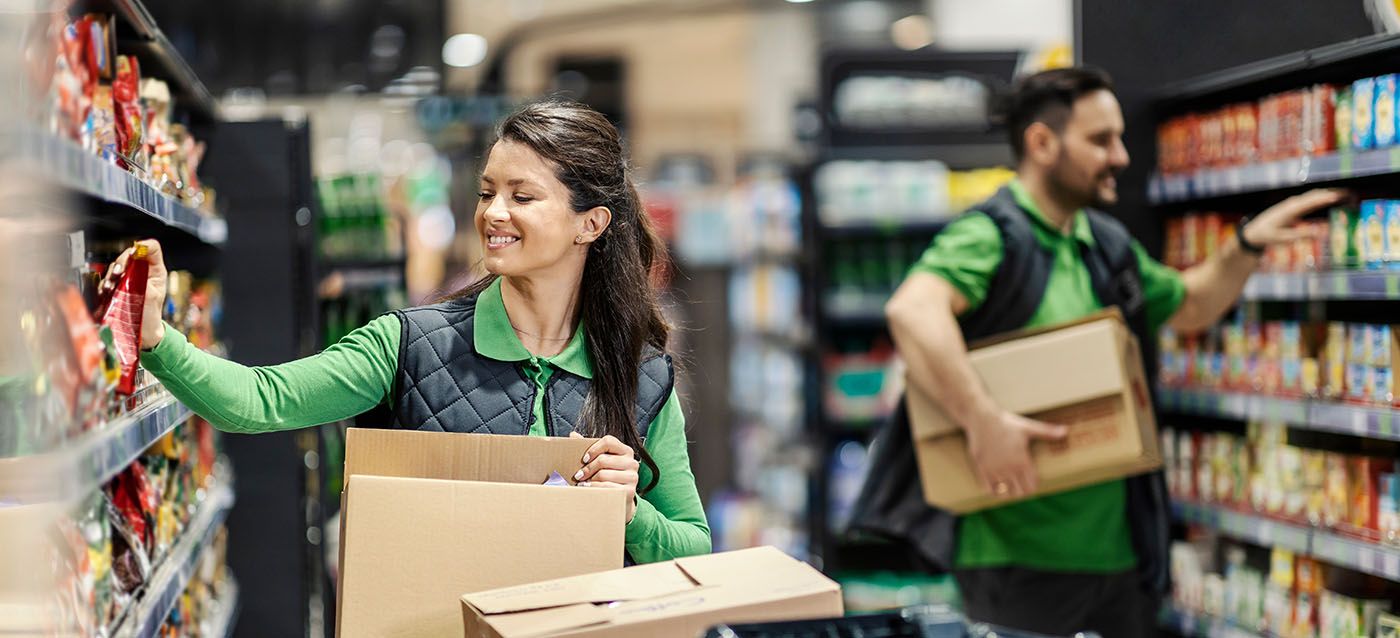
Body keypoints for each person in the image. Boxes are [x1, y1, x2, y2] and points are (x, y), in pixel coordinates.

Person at [107, 100, 711, 564]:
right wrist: (158, 337)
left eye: (522, 196)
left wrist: (628, 512)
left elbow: (693, 549)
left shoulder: (641, 375)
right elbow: (259, 401)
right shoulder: (410, 346)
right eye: (487, 192)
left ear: (591, 223)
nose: (493, 213)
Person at [852, 67, 1343, 637]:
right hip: (1017, 562)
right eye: (1100, 140)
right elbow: (913, 310)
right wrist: (982, 421)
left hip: (1120, 560)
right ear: (1042, 143)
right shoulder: (994, 237)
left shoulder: (1103, 243)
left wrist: (1245, 242)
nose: (1121, 156)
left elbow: (1188, 305)